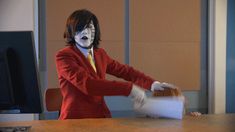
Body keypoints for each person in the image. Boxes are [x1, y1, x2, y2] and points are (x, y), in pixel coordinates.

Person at [55, 9, 176, 120]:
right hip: (75, 121)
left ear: (96, 31)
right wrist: (130, 89)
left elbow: (125, 71)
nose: (85, 32)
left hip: (101, 118)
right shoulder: (64, 56)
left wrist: (152, 84)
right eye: (80, 28)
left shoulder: (100, 54)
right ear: (71, 32)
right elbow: (88, 85)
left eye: (90, 28)